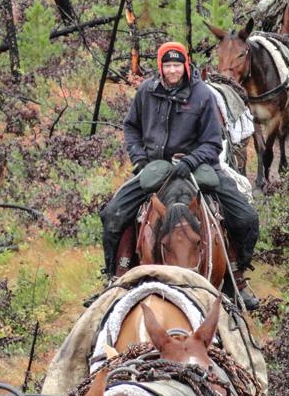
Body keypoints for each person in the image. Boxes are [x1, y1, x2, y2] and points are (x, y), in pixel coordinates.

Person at [100, 42, 260, 310]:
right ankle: (115, 277)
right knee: (114, 213)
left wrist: (190, 161)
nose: (172, 70)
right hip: (154, 165)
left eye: (176, 65)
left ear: (185, 65)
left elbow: (212, 142)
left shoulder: (202, 95)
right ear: (160, 67)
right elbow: (131, 127)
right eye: (167, 65)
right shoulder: (145, 92)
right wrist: (140, 158)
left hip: (198, 165)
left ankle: (236, 280)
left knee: (245, 217)